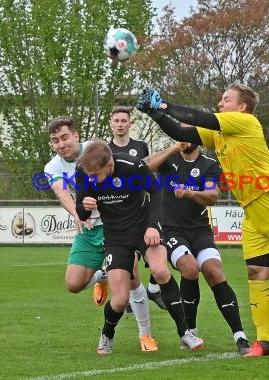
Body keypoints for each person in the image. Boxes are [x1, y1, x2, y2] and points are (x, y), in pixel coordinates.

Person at [136, 83, 269, 356]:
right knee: (256, 272)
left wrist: (162, 105)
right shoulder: (220, 134)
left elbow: (198, 117)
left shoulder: (246, 122)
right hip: (251, 210)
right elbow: (181, 131)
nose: (221, 103)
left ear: (242, 107)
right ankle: (265, 341)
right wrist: (155, 114)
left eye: (227, 99)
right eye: (221, 99)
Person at [75, 139, 204, 354]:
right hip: (116, 237)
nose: (91, 178)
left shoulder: (133, 167)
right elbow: (81, 213)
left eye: (95, 175)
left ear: (110, 165)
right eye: (88, 175)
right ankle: (107, 334)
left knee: (161, 271)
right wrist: (84, 207)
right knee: (120, 299)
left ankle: (186, 333)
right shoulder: (84, 172)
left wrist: (153, 226)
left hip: (145, 229)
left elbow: (156, 193)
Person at [44, 116, 158, 352]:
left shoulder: (96, 150)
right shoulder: (52, 167)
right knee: (73, 284)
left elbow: (130, 173)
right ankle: (102, 277)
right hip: (87, 230)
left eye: (64, 137)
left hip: (114, 228)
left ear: (76, 136)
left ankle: (145, 335)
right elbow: (61, 192)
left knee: (132, 278)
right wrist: (78, 214)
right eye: (55, 141)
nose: (61, 144)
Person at [147, 141, 251, 355]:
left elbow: (212, 196)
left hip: (200, 231)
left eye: (188, 133)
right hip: (171, 230)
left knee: (214, 272)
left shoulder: (209, 165)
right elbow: (148, 166)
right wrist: (173, 149)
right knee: (190, 268)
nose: (184, 138)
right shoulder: (170, 158)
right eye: (180, 133)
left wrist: (190, 193)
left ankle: (240, 336)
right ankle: (190, 331)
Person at [107, 106, 166, 311]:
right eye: (117, 121)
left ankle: (150, 289)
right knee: (129, 260)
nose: (120, 124)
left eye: (124, 121)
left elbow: (148, 172)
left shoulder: (141, 146)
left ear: (130, 124)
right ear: (111, 124)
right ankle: (133, 296)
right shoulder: (106, 150)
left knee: (158, 246)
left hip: (141, 208)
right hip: (118, 213)